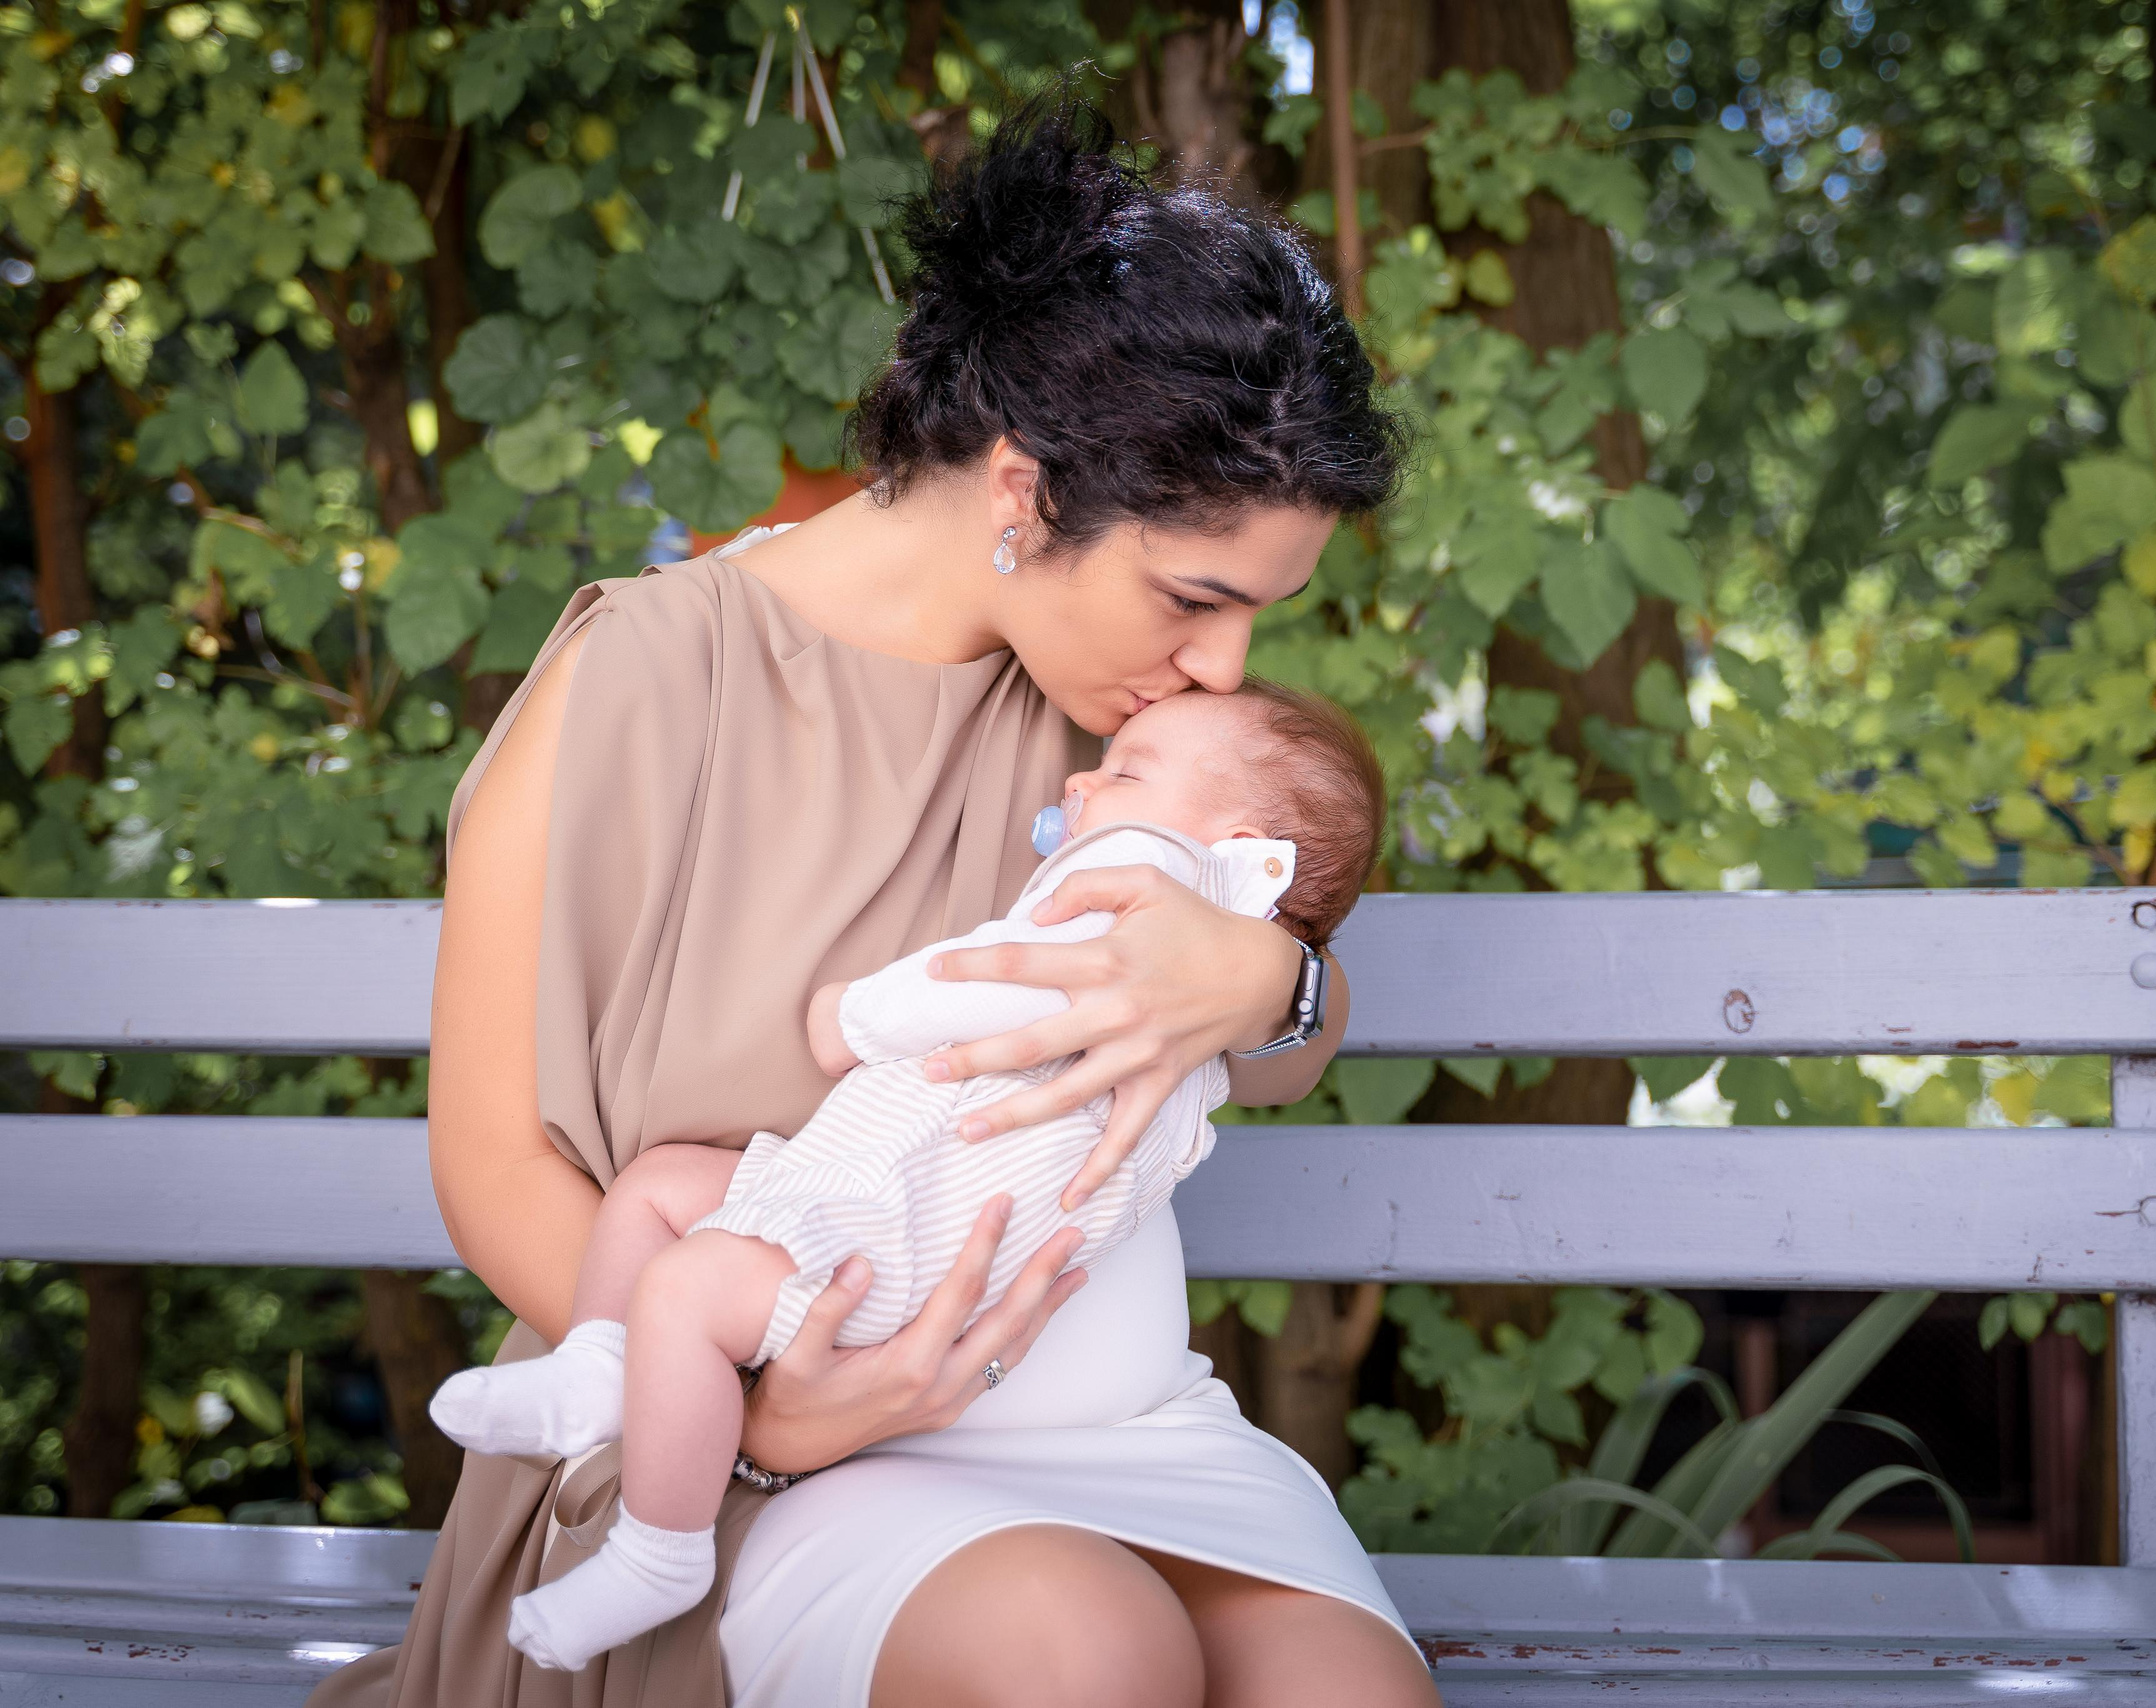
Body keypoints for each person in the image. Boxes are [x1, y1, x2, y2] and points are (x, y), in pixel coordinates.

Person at [307, 92, 1440, 1708]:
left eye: (1258, 614)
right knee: (1082, 1652)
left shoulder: (1130, 725)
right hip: (736, 1423)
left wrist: (1267, 979)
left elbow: (1280, 1050)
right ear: (1023, 486)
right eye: (1197, 596)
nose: (1226, 663)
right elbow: (495, 1163)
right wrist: (760, 1402)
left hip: (1099, 1419)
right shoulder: (634, 680)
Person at [423, 683, 1389, 1671]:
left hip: (1032, 1326)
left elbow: (1006, 974)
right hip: (873, 1311)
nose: (1083, 780)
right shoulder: (674, 685)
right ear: (1021, 514)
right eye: (1194, 593)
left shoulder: (1154, 856)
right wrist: (770, 1430)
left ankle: (619, 1417)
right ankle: (612, 1398)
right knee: (666, 1203)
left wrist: (1278, 975)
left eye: (1124, 769)